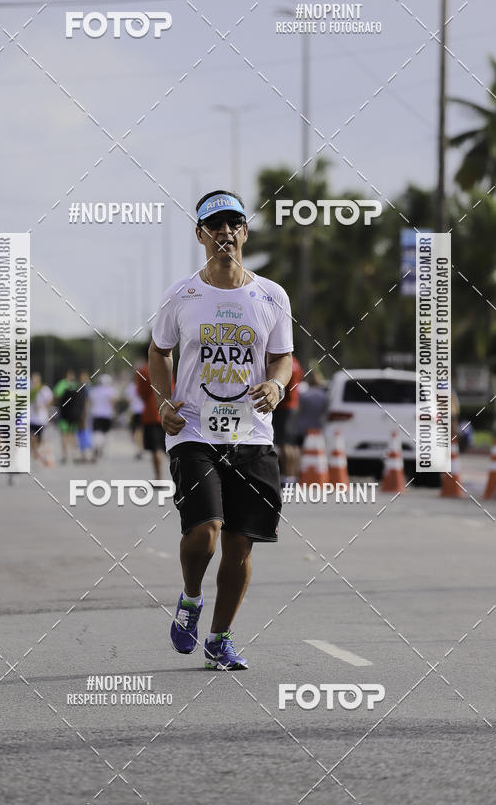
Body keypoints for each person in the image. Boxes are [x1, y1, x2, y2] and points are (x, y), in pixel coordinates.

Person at [149, 190, 293, 670]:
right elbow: (158, 350)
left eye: (234, 225)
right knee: (205, 533)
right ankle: (191, 598)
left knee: (239, 545)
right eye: (215, 226)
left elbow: (283, 356)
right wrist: (164, 401)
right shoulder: (181, 294)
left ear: (245, 233)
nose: (225, 233)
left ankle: (220, 638)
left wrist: (276, 383)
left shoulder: (271, 295)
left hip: (252, 435)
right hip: (193, 431)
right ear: (201, 236)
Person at [272, 354, 304, 486]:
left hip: (284, 406)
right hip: (293, 405)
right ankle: (292, 476)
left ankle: (286, 476)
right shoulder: (296, 363)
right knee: (291, 444)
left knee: (283, 443)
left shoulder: (286, 364)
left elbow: (280, 384)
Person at [136, 349, 167, 480]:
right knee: (171, 448)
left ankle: (159, 478)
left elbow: (141, 394)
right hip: (167, 412)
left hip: (151, 414)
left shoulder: (143, 371)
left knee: (155, 449)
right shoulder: (167, 368)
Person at [53, 370, 84, 464]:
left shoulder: (62, 384)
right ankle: (76, 454)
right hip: (75, 414)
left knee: (64, 435)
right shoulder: (77, 385)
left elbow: (56, 395)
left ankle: (65, 455)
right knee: (73, 435)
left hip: (64, 413)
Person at [89, 374, 118, 460]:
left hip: (96, 414)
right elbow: (113, 402)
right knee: (106, 433)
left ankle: (97, 445)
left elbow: (91, 402)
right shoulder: (111, 391)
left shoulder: (94, 390)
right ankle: (101, 446)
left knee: (97, 432)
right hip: (107, 415)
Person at [29, 372, 53, 462]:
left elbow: (50, 400)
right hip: (31, 418)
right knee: (31, 437)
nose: (34, 381)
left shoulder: (44, 389)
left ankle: (38, 453)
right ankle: (34, 453)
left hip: (41, 419)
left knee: (39, 438)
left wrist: (43, 405)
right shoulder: (30, 389)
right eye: (33, 379)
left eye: (36, 379)